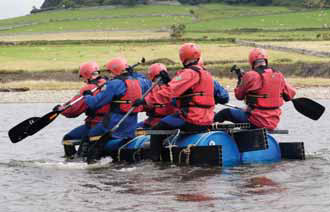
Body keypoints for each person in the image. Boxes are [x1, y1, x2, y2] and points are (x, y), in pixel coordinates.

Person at [133, 43, 216, 161]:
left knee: (157, 129)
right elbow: (183, 89)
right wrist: (169, 81)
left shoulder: (188, 73)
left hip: (191, 118)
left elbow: (169, 92)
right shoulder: (205, 73)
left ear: (182, 57)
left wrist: (144, 100)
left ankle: (154, 161)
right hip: (206, 119)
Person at [81, 57, 151, 162]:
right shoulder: (140, 82)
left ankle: (89, 160)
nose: (109, 75)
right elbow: (147, 81)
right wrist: (133, 73)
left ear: (116, 70)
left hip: (113, 122)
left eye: (110, 71)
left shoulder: (114, 84)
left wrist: (87, 96)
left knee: (91, 135)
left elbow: (95, 103)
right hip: (131, 123)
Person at [214, 48, 296, 130]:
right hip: (273, 121)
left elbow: (239, 96)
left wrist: (240, 81)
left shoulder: (250, 75)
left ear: (252, 61)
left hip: (256, 120)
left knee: (225, 113)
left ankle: (205, 129)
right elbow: (290, 94)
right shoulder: (278, 75)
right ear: (265, 60)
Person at [55, 61, 109, 158]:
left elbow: (74, 110)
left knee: (67, 139)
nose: (83, 80)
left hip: (94, 124)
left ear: (86, 75)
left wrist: (60, 110)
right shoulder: (110, 84)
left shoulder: (88, 89)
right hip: (111, 123)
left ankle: (71, 161)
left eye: (83, 77)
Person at [137, 63, 176, 129]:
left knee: (133, 130)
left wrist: (139, 104)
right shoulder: (174, 86)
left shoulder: (155, 90)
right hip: (167, 121)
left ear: (151, 76)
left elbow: (147, 105)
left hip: (155, 122)